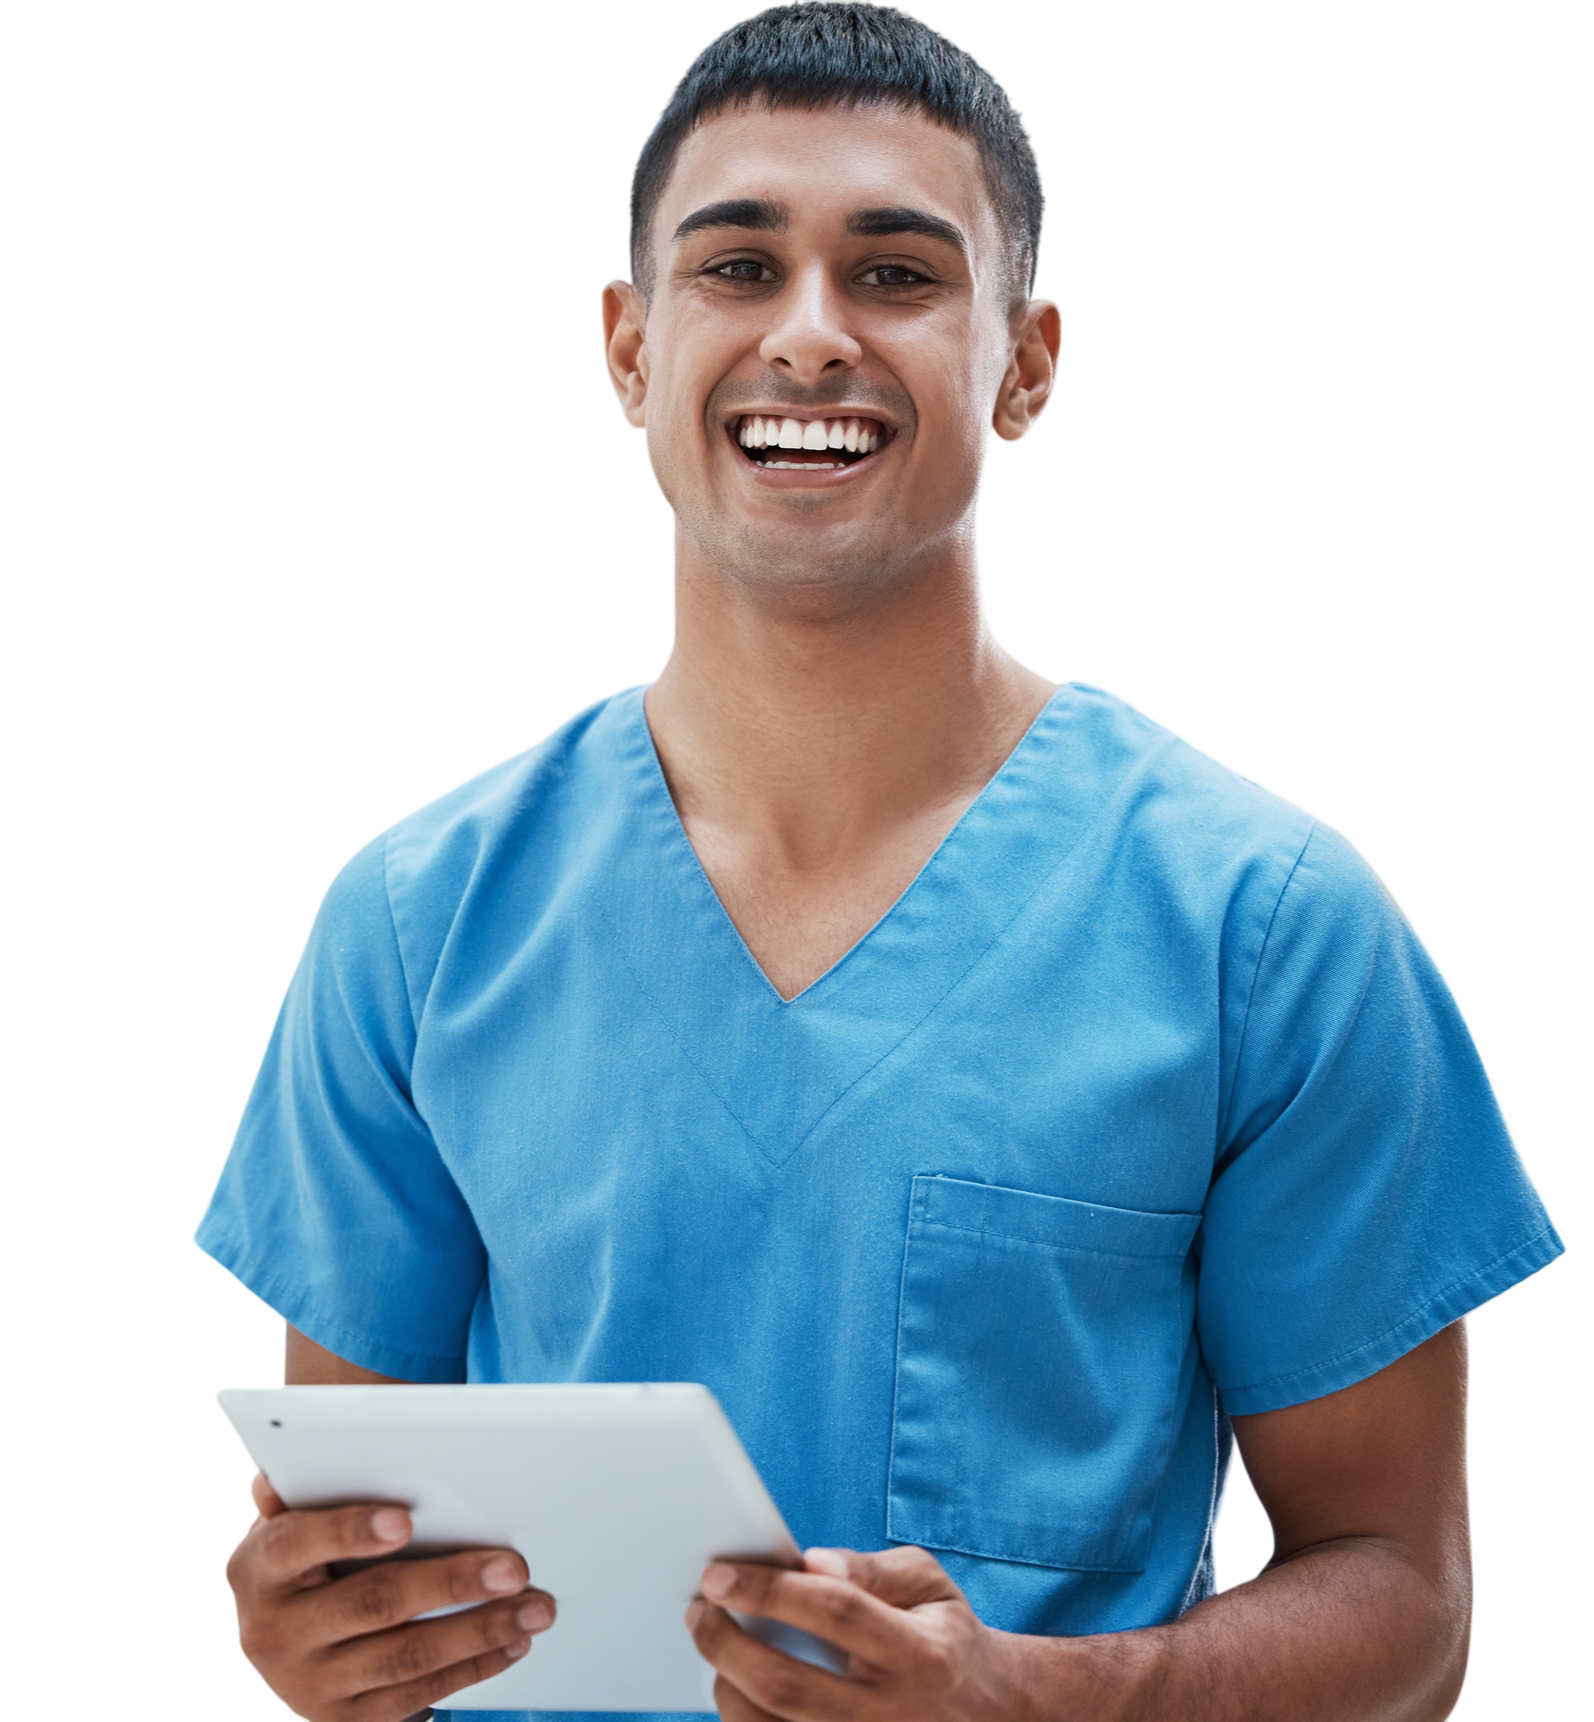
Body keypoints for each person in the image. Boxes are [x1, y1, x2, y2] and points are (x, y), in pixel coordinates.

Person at [197, 5, 1562, 1720]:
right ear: (629, 350)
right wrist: (305, 1634)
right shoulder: (414, 923)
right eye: (738, 268)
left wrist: (1030, 1694)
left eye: (900, 275)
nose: (811, 336)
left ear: (1025, 361)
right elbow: (355, 1555)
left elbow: (1404, 1610)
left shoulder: (1264, 926)